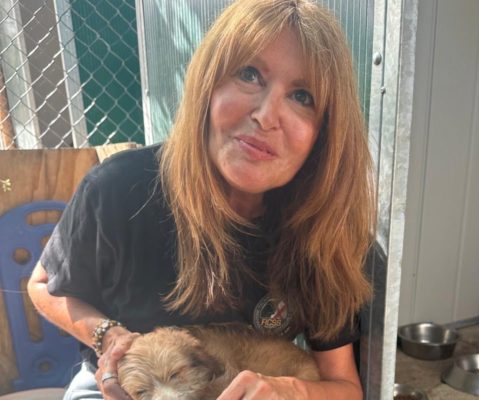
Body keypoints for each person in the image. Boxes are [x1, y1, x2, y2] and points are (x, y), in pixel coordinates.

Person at [27, 0, 375, 398]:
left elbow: (345, 387)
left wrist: (289, 390)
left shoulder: (320, 229)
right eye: (249, 75)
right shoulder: (119, 187)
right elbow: (44, 284)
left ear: (324, 133)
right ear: (208, 85)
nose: (266, 115)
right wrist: (107, 335)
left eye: (302, 96)